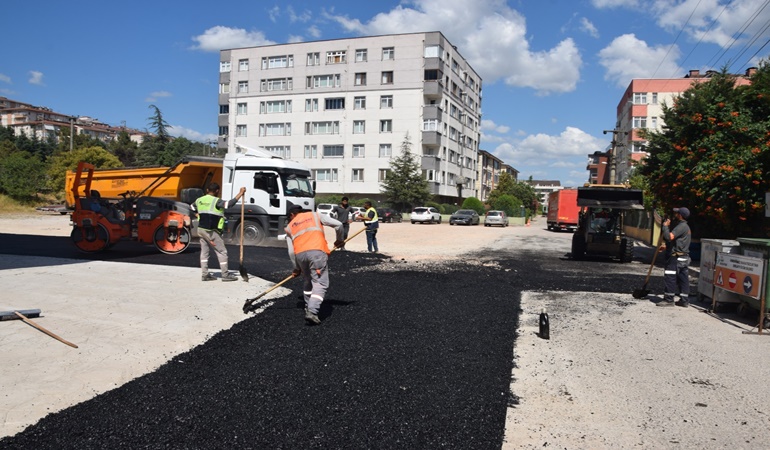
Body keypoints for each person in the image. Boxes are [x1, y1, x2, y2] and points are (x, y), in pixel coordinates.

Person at [285, 205, 343, 324]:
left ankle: (308, 305)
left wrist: (296, 268)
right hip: (316, 252)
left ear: (292, 215)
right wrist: (339, 240)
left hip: (300, 255)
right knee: (320, 283)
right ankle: (312, 311)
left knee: (308, 280)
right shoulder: (315, 215)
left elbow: (291, 251)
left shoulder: (289, 227)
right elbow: (339, 225)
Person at [192, 183, 246, 282]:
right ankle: (225, 275)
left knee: (204, 252)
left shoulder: (199, 200)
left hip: (201, 229)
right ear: (217, 191)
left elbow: (191, 207)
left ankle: (205, 275)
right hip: (211, 231)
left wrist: (197, 215)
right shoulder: (216, 201)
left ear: (207, 190)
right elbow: (229, 204)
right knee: (222, 252)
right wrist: (240, 193)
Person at [658, 207, 692, 307]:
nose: (675, 215)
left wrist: (665, 227)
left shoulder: (681, 226)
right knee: (683, 278)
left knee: (670, 277)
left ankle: (669, 299)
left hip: (675, 257)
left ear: (680, 215)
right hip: (683, 257)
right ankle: (684, 300)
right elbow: (679, 242)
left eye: (677, 213)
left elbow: (670, 237)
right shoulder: (686, 227)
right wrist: (667, 247)